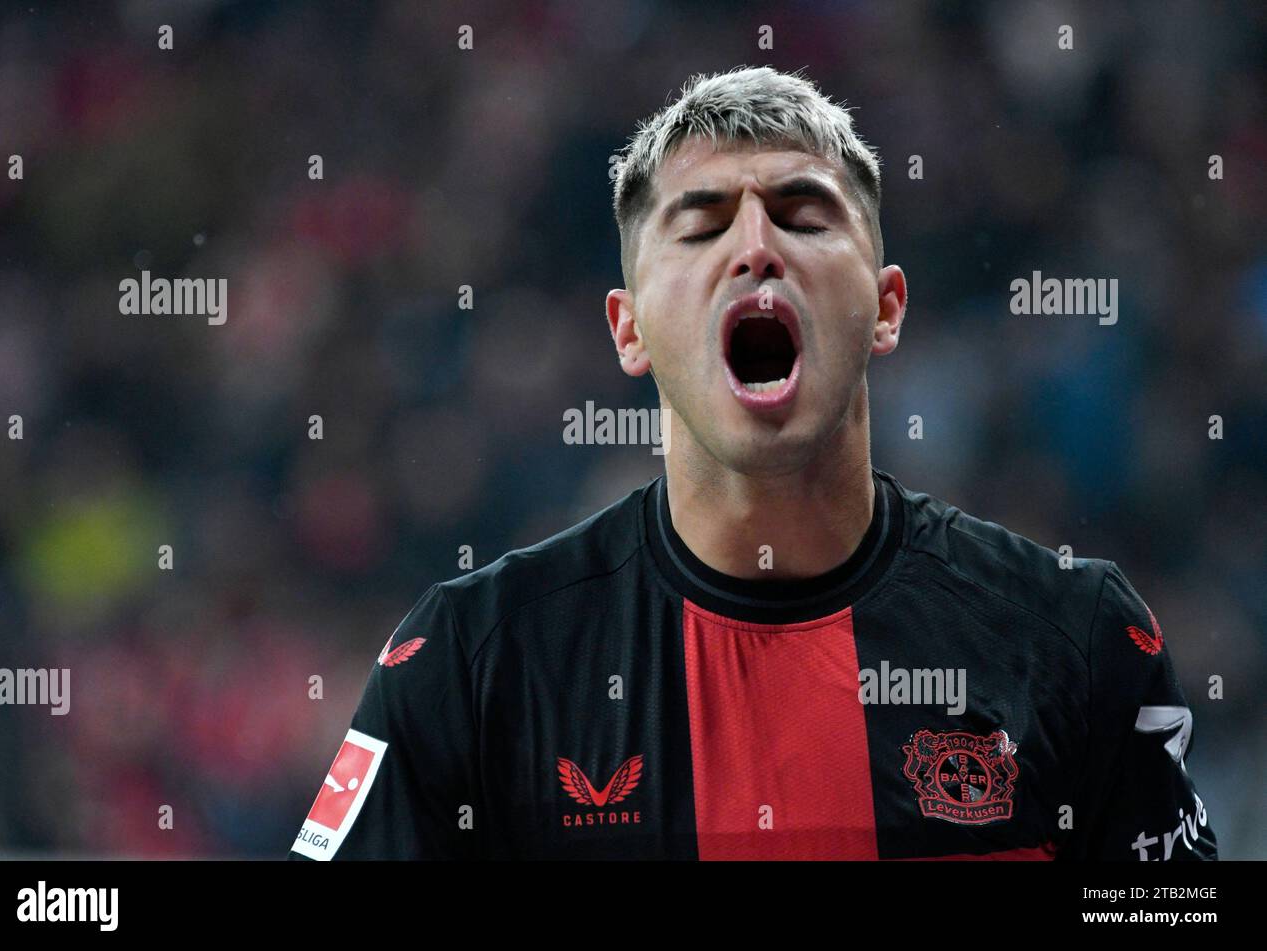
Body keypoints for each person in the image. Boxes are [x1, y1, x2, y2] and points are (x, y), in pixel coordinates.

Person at [289, 65, 1216, 861]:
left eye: (804, 218)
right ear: (630, 329)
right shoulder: (471, 662)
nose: (757, 249)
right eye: (701, 228)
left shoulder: (1076, 638)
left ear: (888, 307)